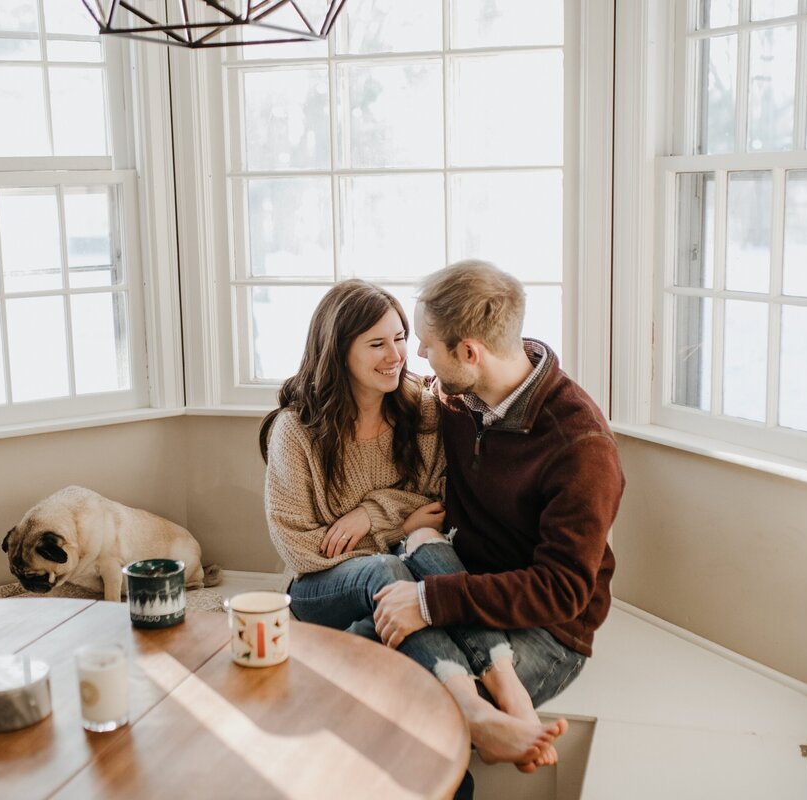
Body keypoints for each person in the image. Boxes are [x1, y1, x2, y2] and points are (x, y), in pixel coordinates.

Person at [260, 279, 565, 770]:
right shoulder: (297, 431)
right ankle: (475, 710)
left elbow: (436, 501)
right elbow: (301, 546)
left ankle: (492, 707)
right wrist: (393, 526)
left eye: (400, 337)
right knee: (394, 565)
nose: (397, 355)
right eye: (377, 343)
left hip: (400, 576)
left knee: (415, 564)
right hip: (319, 588)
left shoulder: (420, 408)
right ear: (337, 352)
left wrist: (370, 516)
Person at [372, 260, 625, 765]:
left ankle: (483, 718)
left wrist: (428, 601)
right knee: (357, 654)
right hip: (465, 585)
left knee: (405, 708)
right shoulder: (459, 396)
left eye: (426, 344)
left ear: (470, 352)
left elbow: (562, 590)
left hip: (547, 632)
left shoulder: (581, 447)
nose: (416, 354)